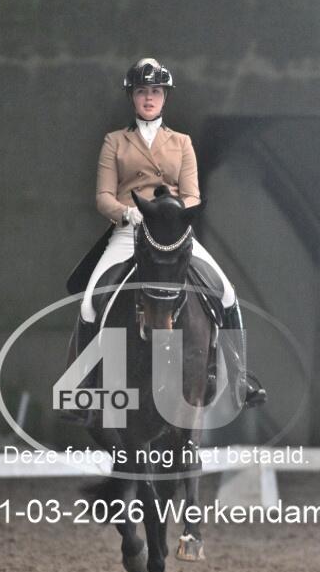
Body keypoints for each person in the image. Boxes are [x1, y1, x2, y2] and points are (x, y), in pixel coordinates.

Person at [74, 57, 266, 408]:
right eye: (142, 91)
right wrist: (126, 212)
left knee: (226, 293)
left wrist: (174, 213)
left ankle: (239, 379)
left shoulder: (181, 142)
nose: (149, 98)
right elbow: (103, 196)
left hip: (173, 234)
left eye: (156, 92)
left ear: (164, 97)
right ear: (132, 97)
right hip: (131, 230)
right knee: (90, 301)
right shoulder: (114, 141)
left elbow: (192, 194)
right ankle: (84, 383)